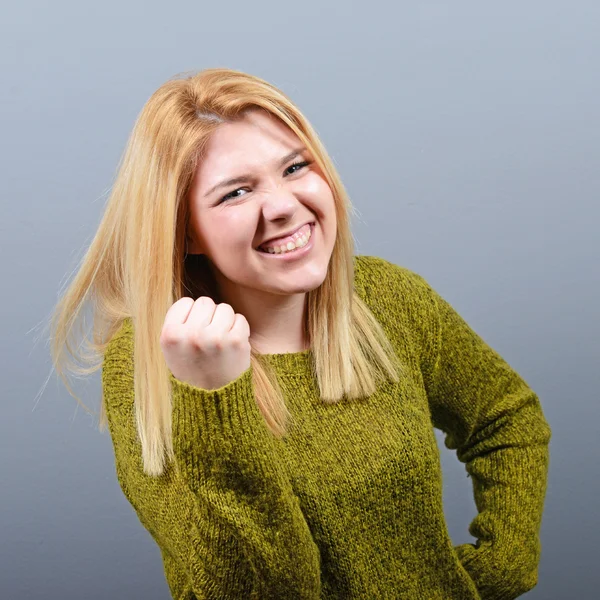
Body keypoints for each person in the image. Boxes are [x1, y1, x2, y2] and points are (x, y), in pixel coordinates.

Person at [48, 67, 552, 599]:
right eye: (236, 192)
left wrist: (504, 564)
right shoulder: (153, 364)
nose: (284, 205)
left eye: (294, 167)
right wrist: (216, 398)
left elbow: (504, 415)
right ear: (185, 231)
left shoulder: (386, 298)